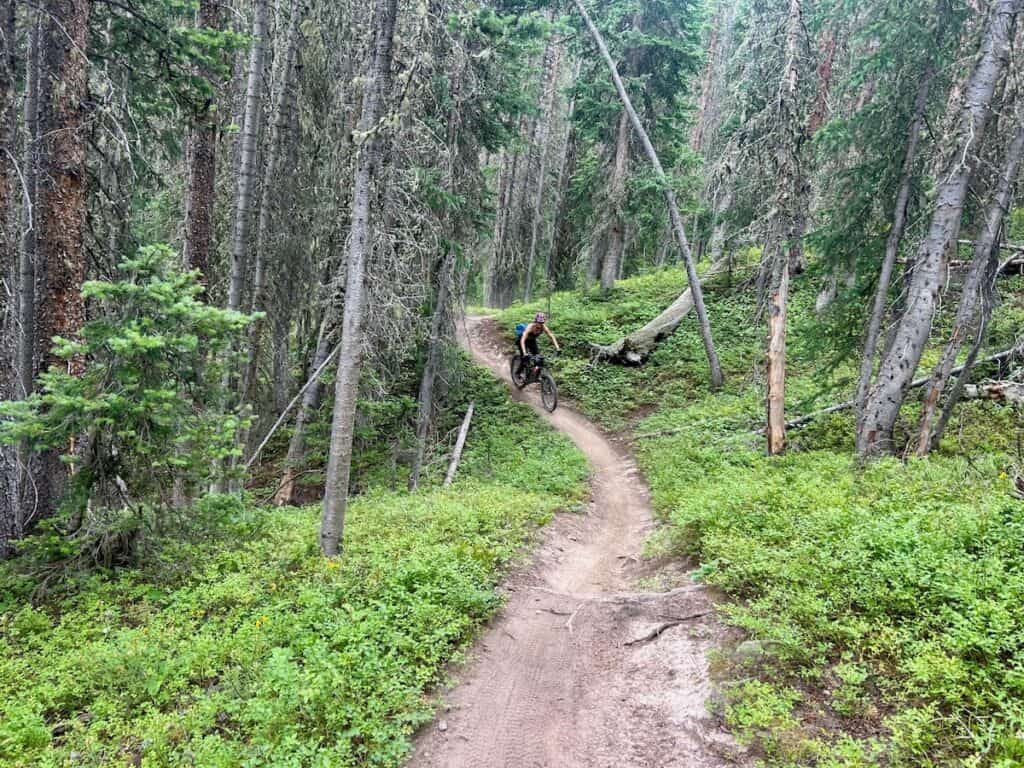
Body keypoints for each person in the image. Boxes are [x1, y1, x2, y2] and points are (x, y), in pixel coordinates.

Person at [516, 313, 561, 377]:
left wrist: (558, 348)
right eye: (538, 322)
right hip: (522, 341)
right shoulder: (530, 327)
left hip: (532, 341)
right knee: (524, 359)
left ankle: (534, 373)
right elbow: (522, 340)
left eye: (541, 323)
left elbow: (551, 336)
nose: (540, 324)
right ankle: (517, 373)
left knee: (538, 358)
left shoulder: (543, 327)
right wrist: (525, 353)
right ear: (535, 321)